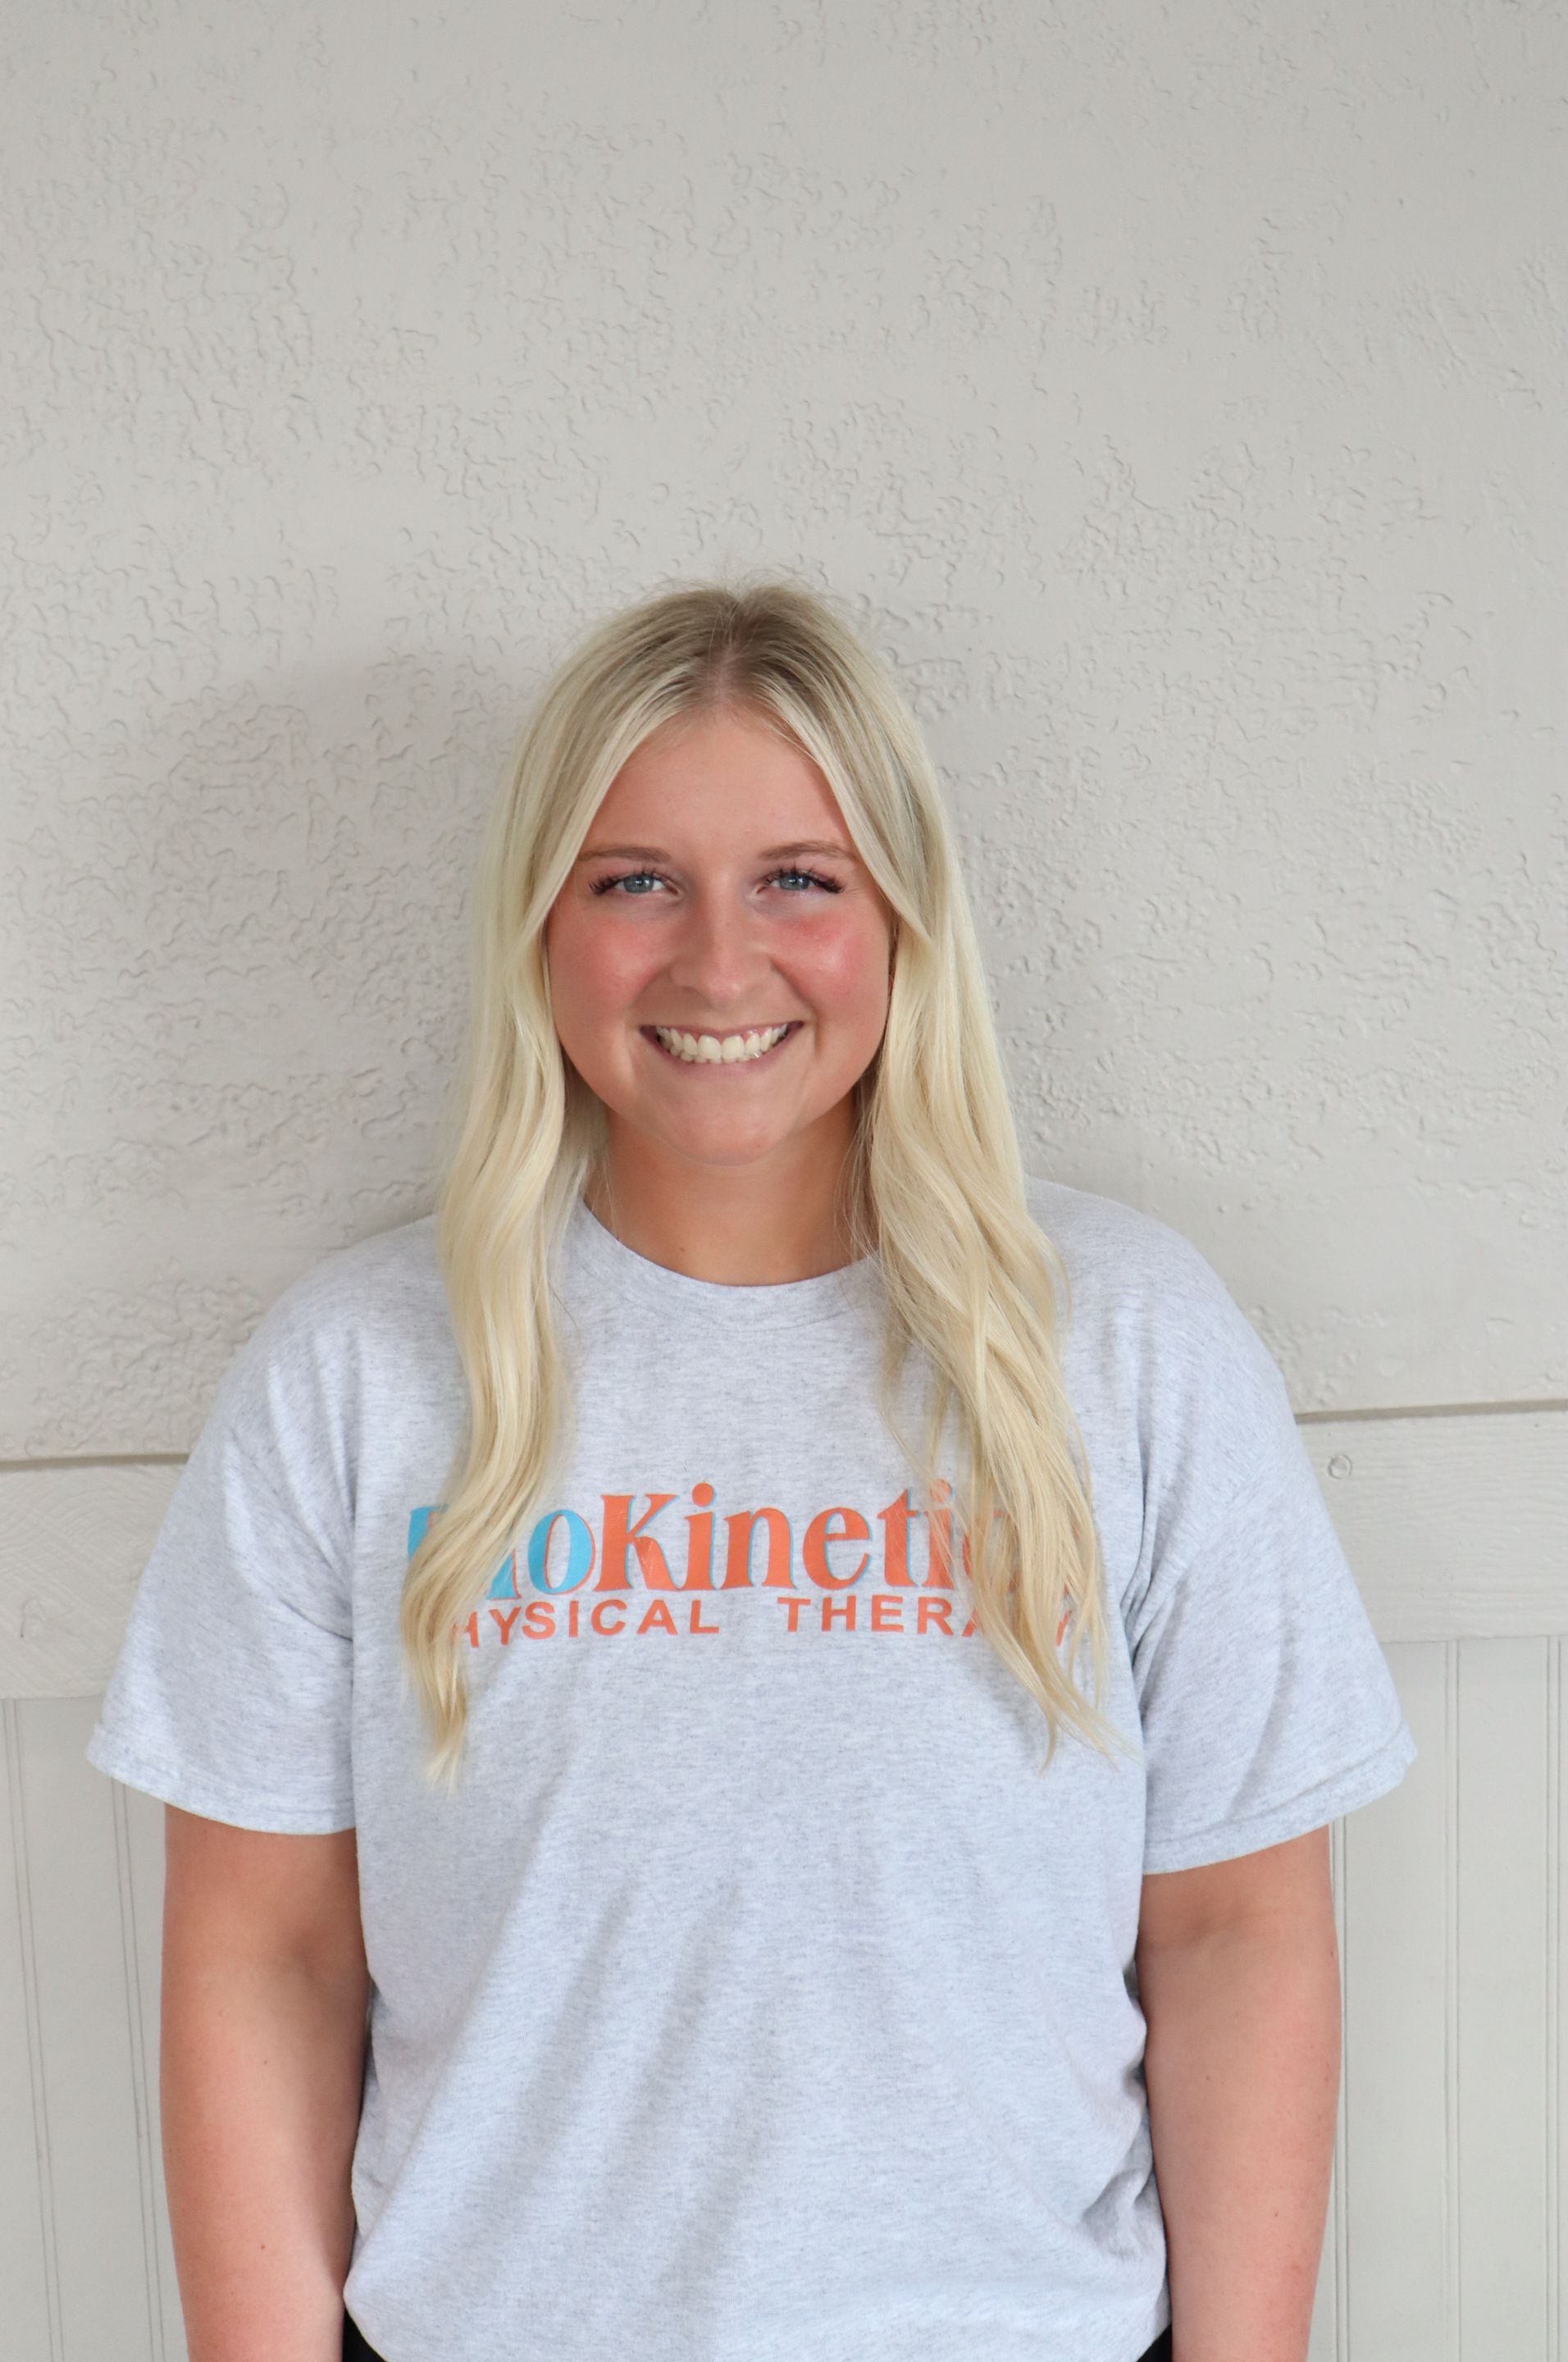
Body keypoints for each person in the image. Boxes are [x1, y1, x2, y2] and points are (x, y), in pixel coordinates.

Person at [87, 576, 1415, 2362]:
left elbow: (1238, 1934)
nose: (722, 963)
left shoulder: (1128, 1348)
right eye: (637, 881)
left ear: (904, 917)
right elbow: (271, 1962)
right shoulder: (354, 1379)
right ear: (541, 925)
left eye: (801, 878)